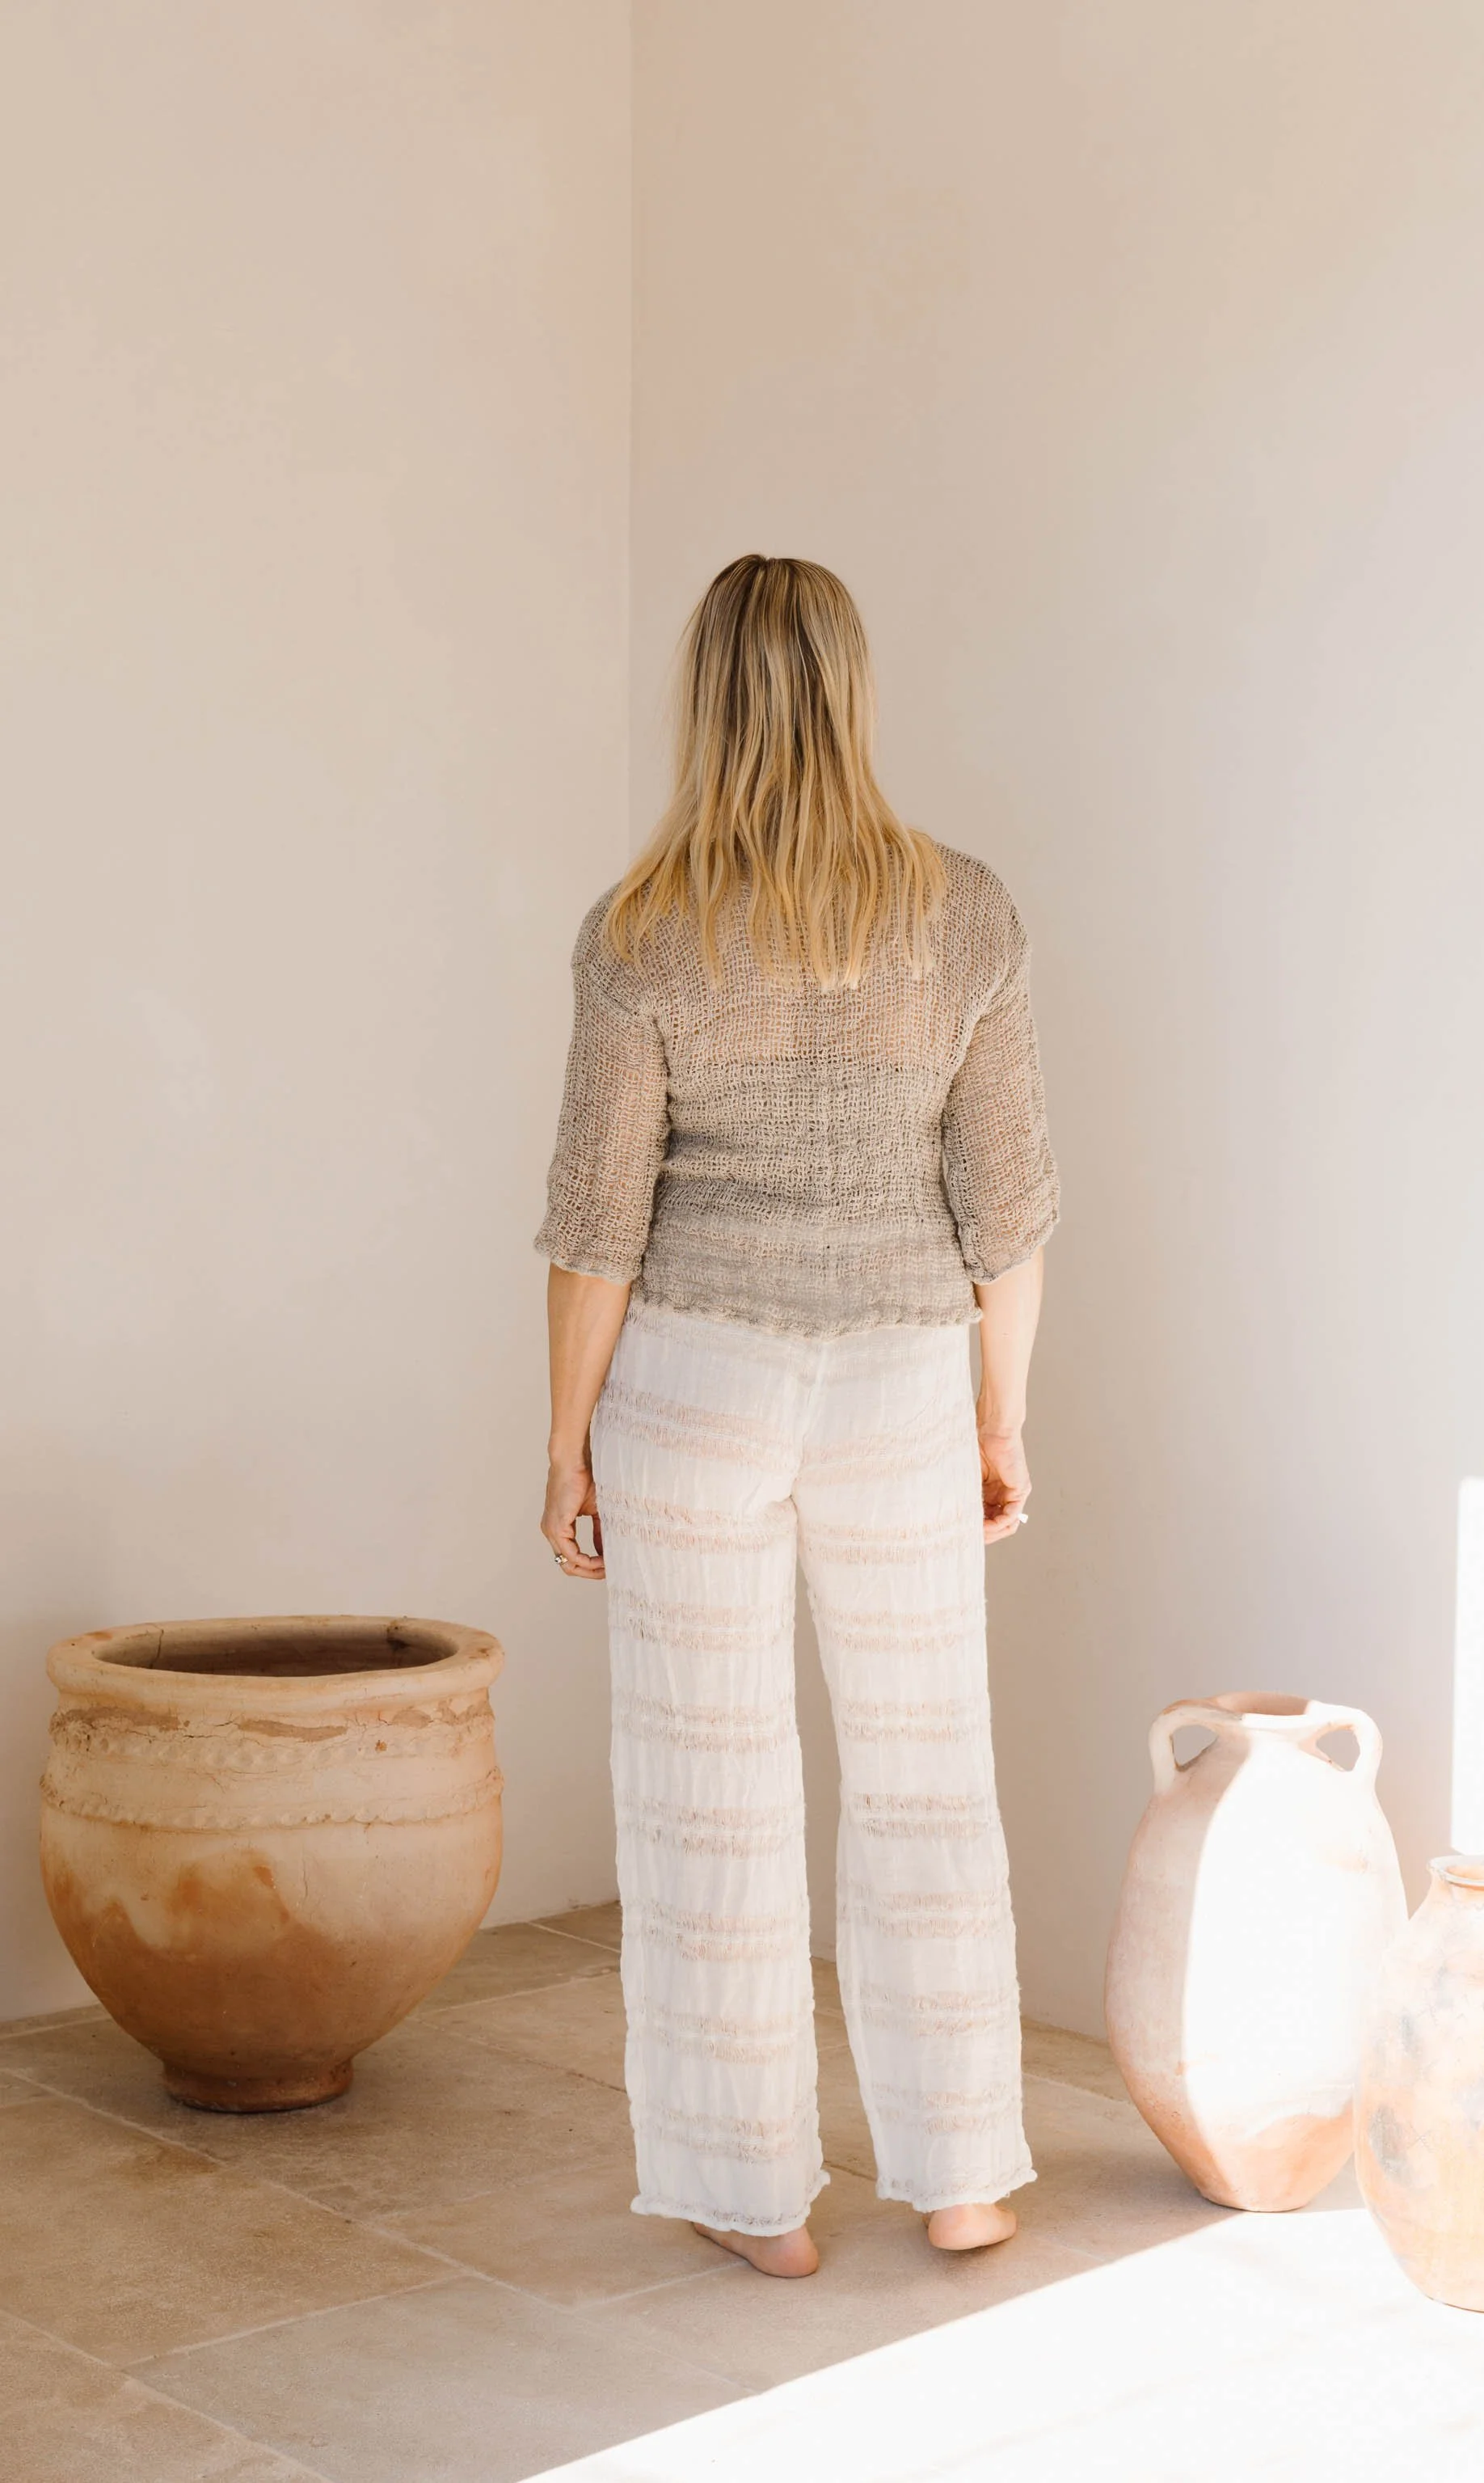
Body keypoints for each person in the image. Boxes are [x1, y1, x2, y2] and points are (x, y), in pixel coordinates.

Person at [536, 554, 1058, 2278]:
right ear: (853, 688)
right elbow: (1008, 1211)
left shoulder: (641, 927)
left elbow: (597, 1222)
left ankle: (753, 2192)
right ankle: (961, 2174)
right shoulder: (965, 912)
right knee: (927, 1776)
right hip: (901, 1376)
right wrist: (1001, 1416)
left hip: (692, 1382)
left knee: (709, 1788)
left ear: (707, 699)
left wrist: (566, 1440)